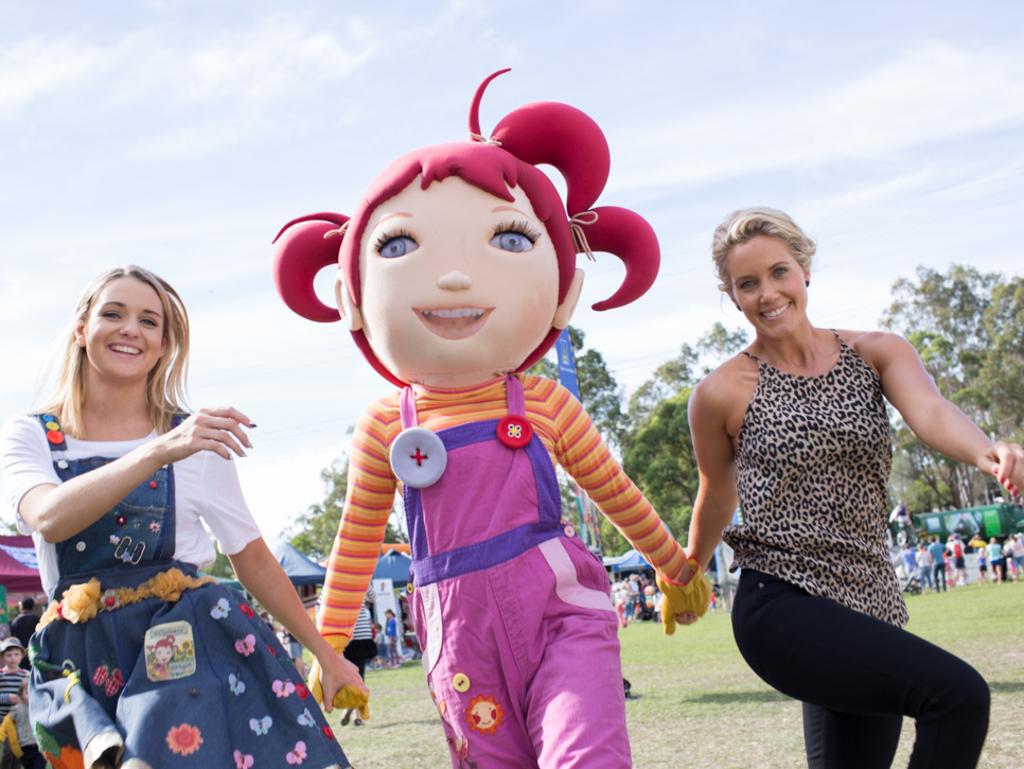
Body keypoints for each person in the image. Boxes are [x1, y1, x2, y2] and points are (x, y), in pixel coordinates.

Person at [272, 70, 710, 768]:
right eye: (397, 246)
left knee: (585, 755)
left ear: (564, 290)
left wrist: (676, 566)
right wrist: (330, 647)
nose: (452, 278)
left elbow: (612, 489)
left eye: (508, 239)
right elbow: (354, 540)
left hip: (559, 611)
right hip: (457, 632)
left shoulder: (542, 401)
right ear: (350, 297)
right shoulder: (387, 422)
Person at [681, 207, 1024, 768]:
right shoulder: (720, 392)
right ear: (732, 295)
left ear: (805, 270)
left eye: (779, 272)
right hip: (782, 602)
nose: (768, 293)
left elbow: (932, 412)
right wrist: (687, 568)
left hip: (867, 603)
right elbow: (717, 493)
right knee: (958, 698)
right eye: (748, 284)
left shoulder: (875, 351)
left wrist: (990, 454)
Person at [0, 265, 365, 768]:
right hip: (80, 656)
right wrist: (157, 451)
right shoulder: (32, 435)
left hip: (183, 641)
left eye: (149, 321)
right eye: (113, 313)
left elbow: (253, 558)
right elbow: (48, 518)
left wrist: (326, 654)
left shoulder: (195, 440)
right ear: (82, 329)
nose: (131, 328)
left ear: (165, 346)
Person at [340, 603, 376, 727]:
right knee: (359, 680)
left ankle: (355, 714)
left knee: (351, 680)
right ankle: (356, 716)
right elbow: (372, 597)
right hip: (361, 640)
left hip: (347, 641)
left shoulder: (341, 594)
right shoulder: (361, 589)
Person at [0, 678, 45, 769]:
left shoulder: (40, 708)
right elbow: (6, 723)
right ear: (21, 695)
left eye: (33, 692)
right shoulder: (17, 709)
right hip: (24, 748)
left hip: (39, 747)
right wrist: (1, 735)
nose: (31, 696)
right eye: (27, 693)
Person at [0, 640, 28, 722]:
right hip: (1, 717)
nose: (13, 658)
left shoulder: (26, 675)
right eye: (8, 655)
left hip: (20, 718)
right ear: (2, 657)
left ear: (22, 656)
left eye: (16, 654)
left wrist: (21, 699)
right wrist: (7, 698)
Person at [8, 600, 38, 670]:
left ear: (21, 607)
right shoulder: (37, 619)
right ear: (32, 607)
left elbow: (12, 637)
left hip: (20, 650)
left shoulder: (15, 621)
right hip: (34, 649)